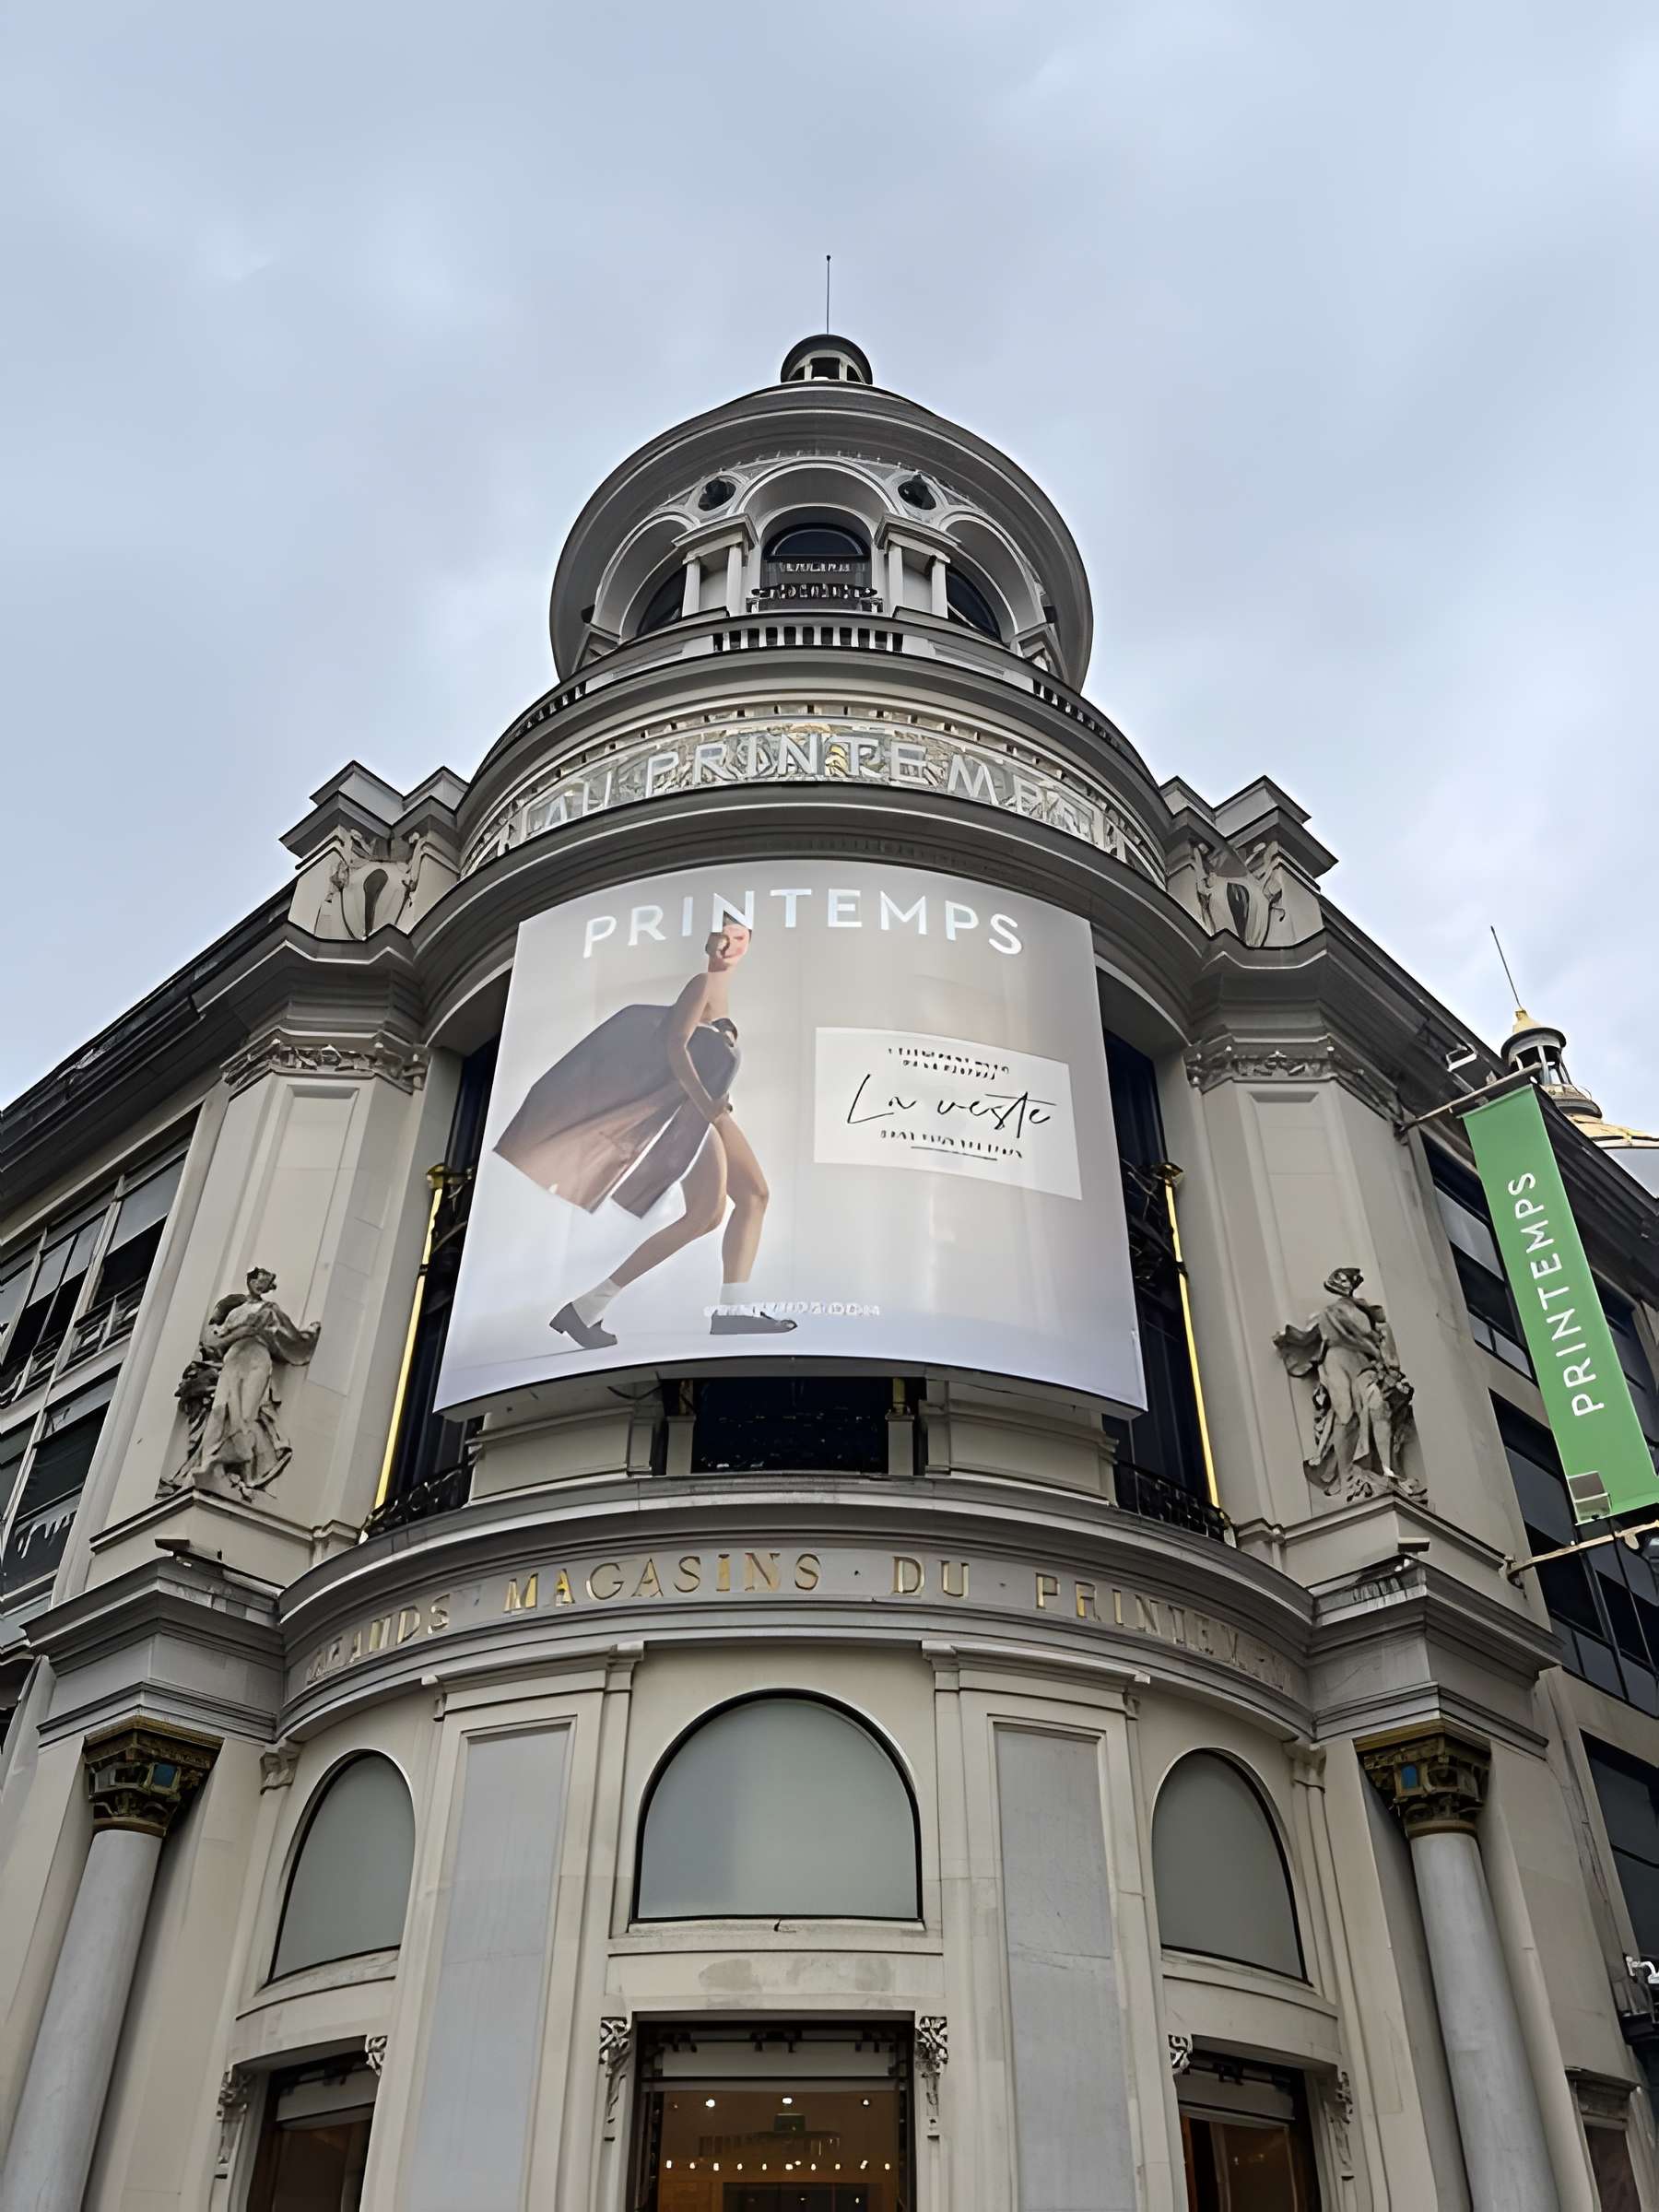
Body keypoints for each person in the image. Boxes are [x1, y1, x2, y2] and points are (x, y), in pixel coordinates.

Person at [492, 919, 794, 1347]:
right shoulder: (703, 982)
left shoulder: (720, 990)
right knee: (709, 1213)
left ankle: (602, 1309)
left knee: (750, 1198)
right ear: (710, 941)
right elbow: (674, 1043)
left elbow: (702, 1052)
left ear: (748, 946)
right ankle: (595, 1307)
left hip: (709, 1107)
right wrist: (704, 1103)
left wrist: (715, 1100)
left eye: (740, 937)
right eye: (723, 935)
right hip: (691, 1108)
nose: (729, 943)